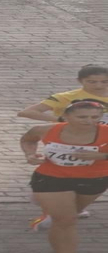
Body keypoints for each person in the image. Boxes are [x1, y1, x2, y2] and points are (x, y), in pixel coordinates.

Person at [22, 99, 108, 248]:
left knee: (71, 215)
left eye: (94, 117)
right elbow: (28, 140)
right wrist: (30, 155)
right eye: (82, 117)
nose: (89, 121)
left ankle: (51, 214)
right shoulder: (44, 129)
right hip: (51, 177)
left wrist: (102, 156)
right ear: (66, 116)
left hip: (93, 179)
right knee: (65, 220)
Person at [18, 65, 108, 121]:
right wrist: (60, 120)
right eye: (92, 82)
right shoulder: (64, 97)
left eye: (104, 82)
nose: (98, 86)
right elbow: (27, 112)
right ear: (80, 81)